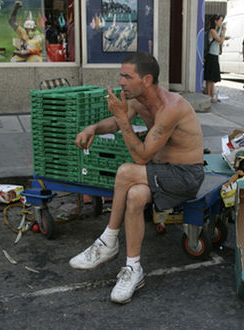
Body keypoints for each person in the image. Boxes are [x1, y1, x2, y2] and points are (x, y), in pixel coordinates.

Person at [70, 52, 205, 304]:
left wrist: (122, 118)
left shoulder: (171, 107)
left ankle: (108, 240)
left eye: (126, 76)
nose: (120, 81)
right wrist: (93, 129)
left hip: (185, 175)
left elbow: (141, 157)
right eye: (121, 75)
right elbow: (115, 121)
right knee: (134, 195)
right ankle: (133, 269)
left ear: (146, 80)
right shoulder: (138, 101)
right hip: (158, 172)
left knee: (126, 171)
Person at [204, 15, 227, 103]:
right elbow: (220, 41)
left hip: (214, 55)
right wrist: (224, 32)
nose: (221, 22)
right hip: (211, 56)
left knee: (212, 77)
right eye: (220, 20)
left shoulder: (216, 31)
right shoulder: (212, 31)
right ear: (216, 21)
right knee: (210, 78)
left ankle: (211, 95)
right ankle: (210, 95)